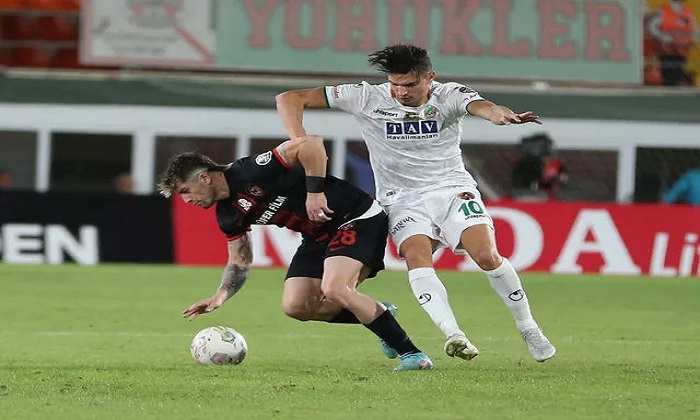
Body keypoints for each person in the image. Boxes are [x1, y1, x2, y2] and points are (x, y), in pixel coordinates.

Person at [276, 44, 556, 362]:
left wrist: (498, 115)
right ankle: (454, 334)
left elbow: (482, 106)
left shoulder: (448, 94)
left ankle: (528, 327)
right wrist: (299, 142)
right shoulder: (367, 96)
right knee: (417, 257)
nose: (401, 92)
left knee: (486, 255)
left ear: (429, 78)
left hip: (451, 190)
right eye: (395, 84)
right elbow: (289, 98)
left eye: (409, 84)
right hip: (401, 199)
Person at [157, 135, 433, 371]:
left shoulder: (250, 170)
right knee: (297, 306)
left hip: (355, 217)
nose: (187, 200)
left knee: (335, 289)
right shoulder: (228, 215)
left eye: (185, 191)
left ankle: (413, 355)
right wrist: (220, 297)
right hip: (317, 236)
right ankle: (381, 315)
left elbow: (311, 144)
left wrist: (315, 193)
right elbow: (240, 261)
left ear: (205, 177)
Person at [647, 0, 699, 86]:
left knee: (679, 70)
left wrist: (694, 38)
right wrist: (663, 37)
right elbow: (652, 26)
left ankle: (679, 81)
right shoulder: (664, 10)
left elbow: (694, 28)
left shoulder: (687, 11)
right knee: (669, 73)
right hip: (668, 49)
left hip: (683, 49)